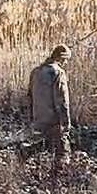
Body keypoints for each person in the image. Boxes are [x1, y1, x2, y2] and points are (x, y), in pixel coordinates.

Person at [18, 44, 72, 177]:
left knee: (47, 142)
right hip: (53, 118)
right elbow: (62, 101)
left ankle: (25, 151)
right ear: (61, 58)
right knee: (63, 149)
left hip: (38, 117)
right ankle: (59, 178)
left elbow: (29, 96)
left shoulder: (35, 71)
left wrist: (31, 117)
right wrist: (65, 123)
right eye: (66, 60)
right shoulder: (58, 73)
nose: (66, 63)